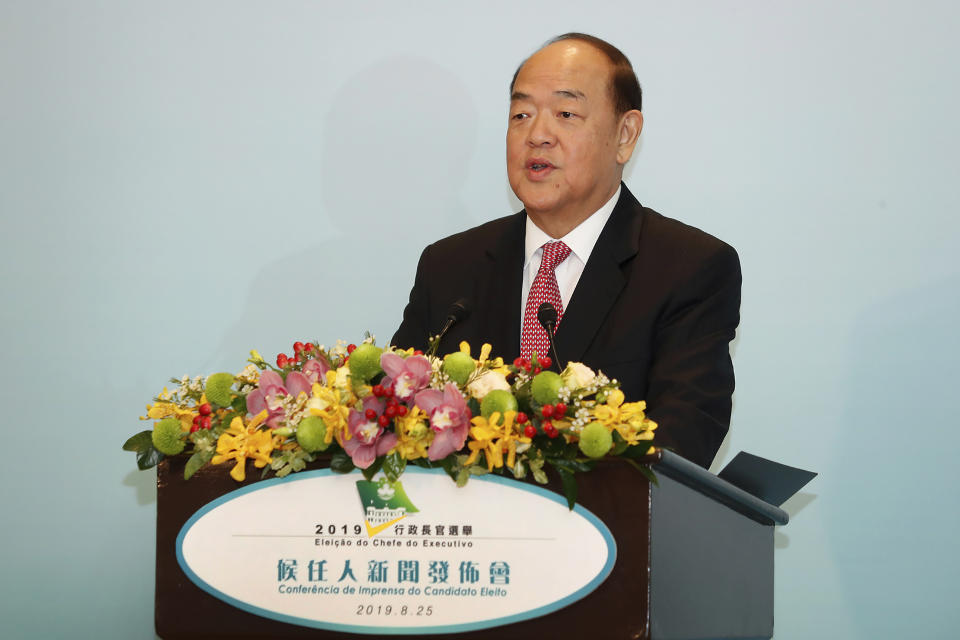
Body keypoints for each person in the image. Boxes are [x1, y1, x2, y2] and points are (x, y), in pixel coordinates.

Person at [392, 33, 740, 468]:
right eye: (521, 114)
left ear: (625, 135)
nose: (537, 134)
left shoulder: (689, 268)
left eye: (566, 113)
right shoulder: (449, 267)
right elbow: (397, 421)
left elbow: (681, 443)